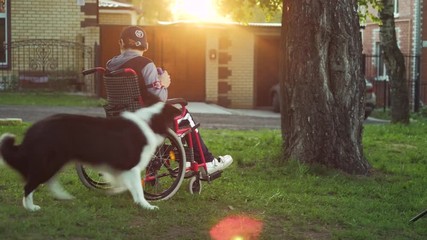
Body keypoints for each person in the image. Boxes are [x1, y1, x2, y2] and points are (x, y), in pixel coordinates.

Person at [106, 26, 233, 174]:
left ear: (121, 43)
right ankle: (207, 161)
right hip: (146, 119)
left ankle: (187, 159)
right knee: (184, 115)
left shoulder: (111, 65)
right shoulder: (146, 64)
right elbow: (160, 98)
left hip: (121, 117)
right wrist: (163, 83)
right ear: (146, 46)